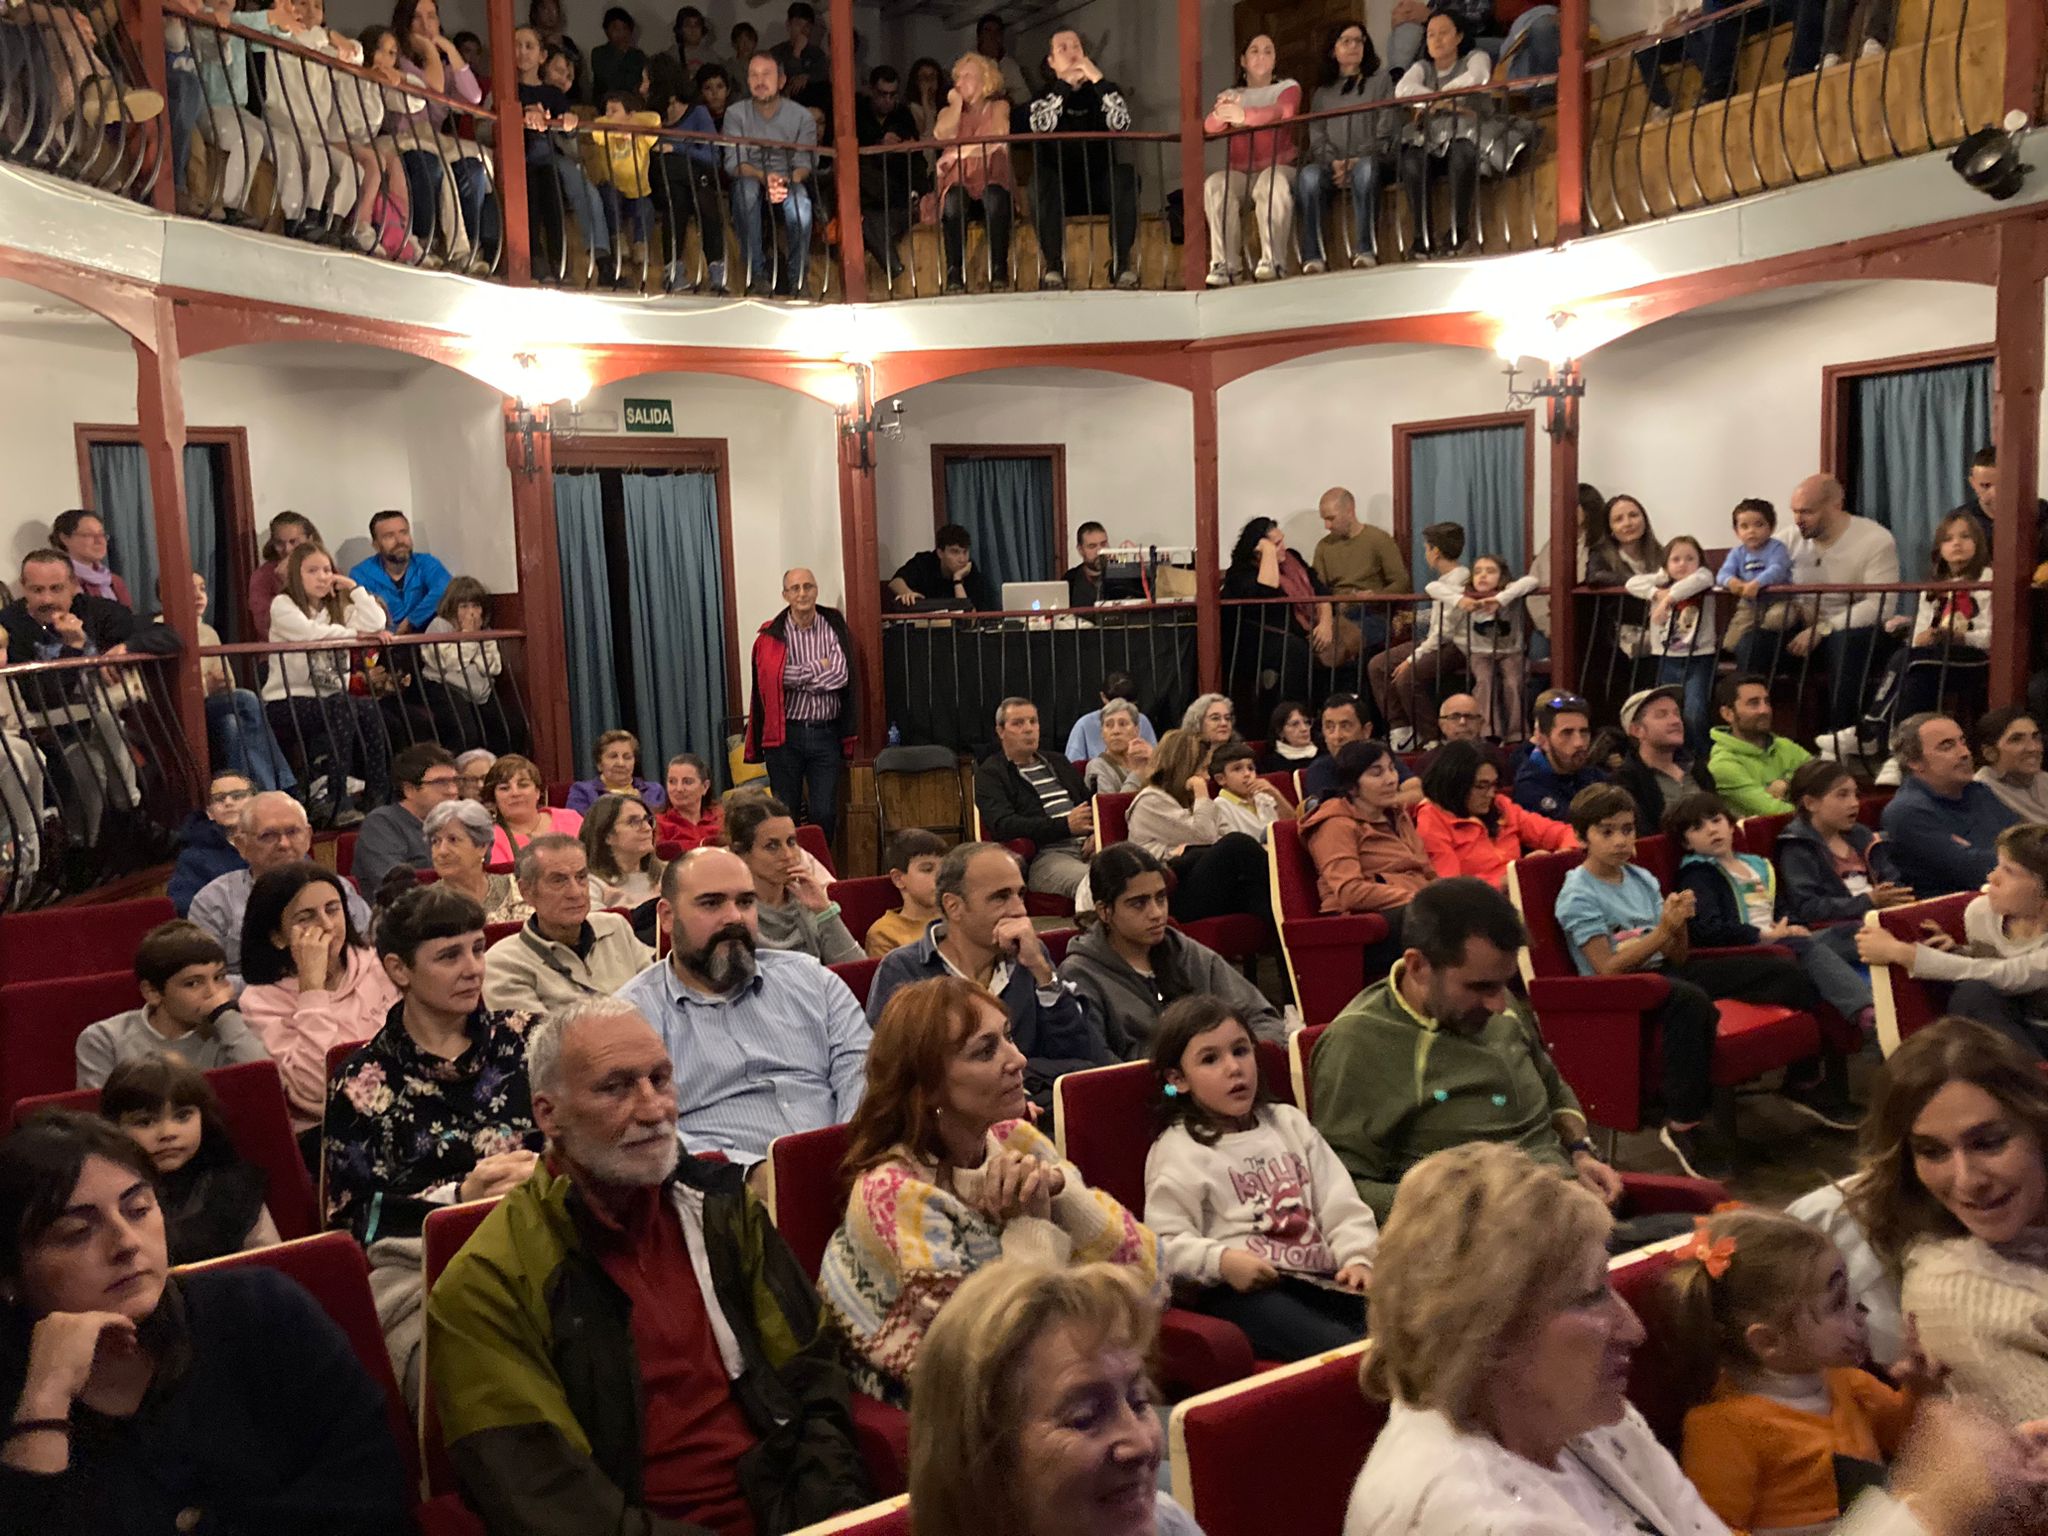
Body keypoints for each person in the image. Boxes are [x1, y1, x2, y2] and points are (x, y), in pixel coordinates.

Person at [1345, 1139, 2031, 1536]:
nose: (1633, 1327)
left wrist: (1967, 1482)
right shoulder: (1468, 1517)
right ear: (1486, 1333)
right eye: (1589, 1297)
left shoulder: (1562, 1410)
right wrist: (1929, 1505)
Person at [424, 995, 873, 1536]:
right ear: (549, 1114)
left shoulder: (724, 1212)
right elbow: (553, 1504)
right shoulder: (484, 1286)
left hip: (787, 1512)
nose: (654, 1108)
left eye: (660, 1079)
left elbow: (814, 1378)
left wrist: (832, 1515)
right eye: (615, 1088)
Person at [0, 1111, 413, 1534]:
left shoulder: (261, 1311)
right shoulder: (18, 1394)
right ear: (10, 1276)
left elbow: (372, 1488)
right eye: (77, 1232)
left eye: (138, 1209)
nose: (126, 1242)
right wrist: (44, 1401)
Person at [819, 976, 1161, 1405]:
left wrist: (1063, 1193)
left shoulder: (1017, 1139)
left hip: (1077, 1395)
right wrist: (1029, 1225)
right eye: (985, 1051)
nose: (1017, 1059)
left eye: (1008, 1037)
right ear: (927, 1089)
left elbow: (1150, 1282)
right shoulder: (893, 1196)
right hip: (974, 1435)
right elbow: (999, 1367)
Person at [1309, 877, 1659, 1238]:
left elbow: (1554, 1089)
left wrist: (1580, 1152)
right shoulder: (1358, 1044)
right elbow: (1341, 1189)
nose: (1499, 1004)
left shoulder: (1494, 1006)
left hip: (1570, 1218)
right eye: (1480, 987)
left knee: (1706, 1245)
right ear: (1417, 966)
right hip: (1484, 1251)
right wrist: (1470, 1207)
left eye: (1504, 984)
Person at [325, 885, 540, 1399]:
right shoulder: (364, 1080)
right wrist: (460, 1198)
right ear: (399, 970)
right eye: (449, 956)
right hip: (428, 1264)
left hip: (546, 1232)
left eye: (478, 949)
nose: (473, 968)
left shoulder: (527, 1040)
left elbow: (582, 1140)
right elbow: (356, 1216)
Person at [1558, 783, 1826, 1180]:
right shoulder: (1576, 892)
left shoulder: (1642, 878)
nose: (1620, 841)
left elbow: (1678, 955)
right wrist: (1662, 931)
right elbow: (1607, 968)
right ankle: (1682, 1122)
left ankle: (1802, 1081)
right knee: (1689, 998)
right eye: (1607, 831)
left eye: (1627, 829)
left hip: (1663, 970)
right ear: (1583, 837)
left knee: (1781, 966)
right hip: (1618, 991)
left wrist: (1678, 924)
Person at [1667, 1206, 1938, 1535]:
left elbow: (1904, 1442)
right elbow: (1713, 1529)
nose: (1860, 1314)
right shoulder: (1723, 1427)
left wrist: (1918, 1389)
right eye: (1838, 1304)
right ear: (1768, 1341)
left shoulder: (1845, 1381)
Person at [1144, 995, 1373, 1360]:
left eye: (1240, 1051)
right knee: (1344, 1349)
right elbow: (1162, 1244)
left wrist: (1358, 1258)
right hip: (1242, 1293)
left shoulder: (1287, 1123)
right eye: (1210, 1059)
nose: (1234, 1068)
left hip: (1321, 1280)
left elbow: (1338, 1202)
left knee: (1404, 1324)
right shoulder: (1179, 1150)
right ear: (1177, 1079)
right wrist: (1221, 1261)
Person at [616, 847, 868, 1170]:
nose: (734, 917)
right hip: (725, 1199)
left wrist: (853, 1149)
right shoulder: (633, 1017)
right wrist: (744, 1176)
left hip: (851, 1170)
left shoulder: (811, 979)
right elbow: (648, 1130)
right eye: (711, 903)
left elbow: (861, 1070)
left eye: (746, 902)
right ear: (667, 917)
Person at [910, 1258, 1201, 1536]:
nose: (1142, 1444)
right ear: (983, 1465)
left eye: (1138, 1402)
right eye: (1085, 1418)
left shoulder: (1167, 1524)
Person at [866, 843, 1113, 1109]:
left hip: (1038, 1115)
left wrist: (1042, 972)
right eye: (1000, 897)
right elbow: (897, 1081)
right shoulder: (904, 970)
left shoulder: (1030, 956)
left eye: (1020, 894)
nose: (1019, 910)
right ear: (954, 906)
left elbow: (1081, 1060)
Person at [1668, 790, 1873, 1060]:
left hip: (1785, 937)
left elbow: (1781, 907)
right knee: (1807, 948)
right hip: (1749, 949)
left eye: (1715, 820)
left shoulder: (1755, 864)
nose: (1711, 830)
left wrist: (1794, 924)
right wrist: (1764, 935)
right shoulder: (1698, 873)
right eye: (1697, 828)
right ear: (1686, 842)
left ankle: (1900, 993)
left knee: (1855, 932)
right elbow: (1707, 929)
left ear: (1730, 824)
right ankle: (1866, 1011)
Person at [1059, 843, 1283, 1056]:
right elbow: (1097, 1066)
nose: (1156, 913)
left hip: (1216, 1083)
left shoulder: (1181, 949)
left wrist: (1241, 1056)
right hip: (1156, 1091)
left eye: (1161, 898)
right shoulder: (1081, 973)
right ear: (1104, 911)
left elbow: (1262, 1017)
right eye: (1139, 903)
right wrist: (1181, 1081)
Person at [235, 861, 402, 1139]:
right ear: (278, 937)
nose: (326, 925)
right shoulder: (261, 1002)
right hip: (332, 1132)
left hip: (407, 1107)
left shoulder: (379, 964)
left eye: (332, 910)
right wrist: (312, 988)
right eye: (306, 917)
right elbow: (317, 1089)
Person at [1735, 474, 1904, 742]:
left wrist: (1823, 629)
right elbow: (1752, 568)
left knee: (1845, 643)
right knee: (1753, 643)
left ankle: (1842, 737)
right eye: (1795, 511)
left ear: (1835, 505)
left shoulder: (1874, 538)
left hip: (1855, 635)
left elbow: (1880, 605)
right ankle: (1750, 734)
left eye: (1807, 512)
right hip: (1800, 629)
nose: (1798, 519)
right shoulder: (1788, 539)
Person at [1857, 823, 2048, 1057]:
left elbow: (2011, 975)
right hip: (2020, 1029)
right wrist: (1959, 953)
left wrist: (1904, 954)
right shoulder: (1980, 913)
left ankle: (2032, 1084)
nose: (1992, 877)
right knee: (1972, 994)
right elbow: (1993, 971)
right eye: (1997, 865)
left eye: (2009, 871)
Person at [2, 550, 143, 839]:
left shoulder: (91, 610)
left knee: (106, 722)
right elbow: (42, 695)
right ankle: (90, 850)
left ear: (73, 585)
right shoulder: (12, 624)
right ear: (23, 588)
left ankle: (130, 822)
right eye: (36, 590)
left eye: (56, 589)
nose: (47, 599)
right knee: (89, 768)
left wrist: (125, 648)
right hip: (45, 728)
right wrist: (73, 648)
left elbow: (156, 631)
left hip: (93, 718)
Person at [260, 542, 391, 826]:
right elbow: (308, 633)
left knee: (366, 706)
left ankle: (378, 795)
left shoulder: (336, 609)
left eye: (327, 570)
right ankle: (335, 796)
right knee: (342, 704)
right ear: (297, 574)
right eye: (312, 571)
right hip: (287, 700)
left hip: (331, 698)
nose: (323, 577)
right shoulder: (283, 605)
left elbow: (377, 621)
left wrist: (353, 588)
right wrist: (354, 634)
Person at [101, 1052, 279, 1260]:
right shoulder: (105, 1195)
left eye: (182, 1116)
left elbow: (271, 1263)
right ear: (114, 1128)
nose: (168, 1133)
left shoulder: (236, 1187)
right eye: (145, 1122)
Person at [188, 792, 372, 980]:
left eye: (293, 832)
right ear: (242, 845)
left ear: (308, 837)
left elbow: (368, 952)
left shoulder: (337, 889)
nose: (283, 844)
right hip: (252, 1004)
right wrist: (291, 984)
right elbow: (207, 980)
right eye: (268, 836)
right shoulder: (212, 902)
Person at [75, 920, 267, 1089]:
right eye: (193, 983)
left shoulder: (232, 1031)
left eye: (219, 977)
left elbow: (267, 1085)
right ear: (153, 992)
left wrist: (225, 1015)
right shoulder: (104, 1039)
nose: (213, 993)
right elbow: (95, 1122)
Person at [746, 567, 858, 848]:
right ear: (785, 595)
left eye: (808, 586)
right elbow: (774, 677)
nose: (802, 593)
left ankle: (820, 871)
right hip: (786, 737)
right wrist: (818, 667)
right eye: (795, 588)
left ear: (816, 590)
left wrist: (797, 676)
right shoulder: (771, 634)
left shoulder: (833, 626)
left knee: (824, 813)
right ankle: (788, 874)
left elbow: (840, 676)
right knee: (785, 814)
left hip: (825, 735)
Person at [483, 834, 653, 1016]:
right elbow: (539, 1042)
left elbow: (657, 998)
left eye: (581, 877)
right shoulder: (503, 963)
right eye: (558, 880)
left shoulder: (616, 927)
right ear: (526, 891)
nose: (575, 892)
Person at [1124, 729, 1275, 926]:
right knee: (1237, 844)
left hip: (1198, 881)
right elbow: (1207, 835)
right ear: (1184, 769)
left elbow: (1220, 834)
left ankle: (1286, 947)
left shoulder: (1190, 801)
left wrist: (1193, 847)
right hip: (1168, 895)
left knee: (1252, 893)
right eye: (1202, 770)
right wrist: (1201, 792)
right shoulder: (1150, 801)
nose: (1206, 777)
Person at [1028, 31, 1139, 291]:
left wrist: (1097, 78)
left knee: (1125, 174)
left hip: (1099, 184)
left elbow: (1121, 123)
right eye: (1062, 48)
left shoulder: (1104, 90)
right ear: (1051, 61)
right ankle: (1053, 267)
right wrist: (1064, 86)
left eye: (1076, 46)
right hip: (1059, 189)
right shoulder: (1043, 95)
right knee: (1039, 181)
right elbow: (1042, 126)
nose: (1071, 52)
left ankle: (1122, 265)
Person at [1301, 740, 1435, 942]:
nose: (1391, 779)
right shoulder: (1335, 823)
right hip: (1362, 924)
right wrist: (1420, 900)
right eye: (1377, 773)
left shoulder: (1397, 814)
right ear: (1352, 787)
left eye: (1392, 769)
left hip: (1412, 907)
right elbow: (1350, 892)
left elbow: (1426, 871)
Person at [1881, 712, 2019, 897]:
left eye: (1963, 742)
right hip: (1952, 913)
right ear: (1914, 762)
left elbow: (2025, 842)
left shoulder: (1979, 791)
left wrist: (1977, 851)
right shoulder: (1906, 812)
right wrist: (2011, 855)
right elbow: (1976, 871)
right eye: (1947, 746)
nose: (1965, 753)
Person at [1297, 25, 1396, 273]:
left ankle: (1365, 250)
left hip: (1373, 160)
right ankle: (1313, 256)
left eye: (1358, 41)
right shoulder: (1321, 93)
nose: (1353, 46)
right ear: (1333, 49)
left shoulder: (1381, 80)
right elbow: (1317, 136)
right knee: (1308, 176)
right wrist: (1334, 163)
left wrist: (1356, 159)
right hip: (1334, 166)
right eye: (1346, 41)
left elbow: (1385, 128)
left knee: (1365, 169)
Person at [1202, 33, 1299, 285]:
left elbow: (1283, 111)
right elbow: (1211, 126)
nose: (1262, 56)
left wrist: (1241, 115)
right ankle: (1225, 265)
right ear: (1243, 60)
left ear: (1275, 59)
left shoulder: (1287, 87)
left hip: (1280, 167)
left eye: (1268, 51)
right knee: (1215, 184)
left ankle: (1273, 260)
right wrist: (1224, 111)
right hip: (1242, 174)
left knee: (1271, 182)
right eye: (1255, 51)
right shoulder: (1232, 93)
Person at [975, 696, 1096, 901]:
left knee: (1141, 874)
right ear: (1000, 731)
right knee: (1100, 883)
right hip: (1046, 857)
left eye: (1033, 721)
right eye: (1018, 723)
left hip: (1091, 848)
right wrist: (1065, 826)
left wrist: (1096, 834)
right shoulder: (992, 773)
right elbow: (1003, 825)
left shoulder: (1058, 761)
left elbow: (1090, 803)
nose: (1029, 729)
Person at [1394, 10, 1491, 257]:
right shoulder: (1422, 67)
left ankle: (1459, 231)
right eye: (1430, 35)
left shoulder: (1474, 57)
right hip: (1432, 142)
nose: (1436, 40)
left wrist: (1435, 99)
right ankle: (1421, 238)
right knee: (1413, 160)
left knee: (1462, 152)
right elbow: (1403, 90)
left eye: (1444, 33)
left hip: (1468, 139)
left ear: (1459, 36)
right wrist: (1443, 102)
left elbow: (1478, 77)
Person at [1774, 758, 1914, 928]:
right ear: (1811, 803)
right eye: (1842, 795)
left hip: (1880, 919)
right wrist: (1868, 901)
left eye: (1856, 794)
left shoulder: (1861, 835)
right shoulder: (1797, 846)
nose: (1854, 803)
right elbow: (1808, 908)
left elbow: (1892, 879)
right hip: (1840, 931)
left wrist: (1896, 896)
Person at [1415, 740, 1577, 887]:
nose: (1491, 794)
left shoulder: (1500, 805)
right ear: (1455, 784)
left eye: (1493, 785)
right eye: (1481, 786)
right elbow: (1451, 890)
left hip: (1523, 892)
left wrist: (1559, 859)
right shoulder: (1431, 821)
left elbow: (1563, 832)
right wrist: (1510, 879)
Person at [189, 570, 295, 793]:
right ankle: (280, 786)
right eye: (191, 589)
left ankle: (245, 794)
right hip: (190, 711)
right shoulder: (161, 628)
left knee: (232, 724)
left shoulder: (208, 632)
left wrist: (217, 684)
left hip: (216, 706)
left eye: (202, 588)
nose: (199, 595)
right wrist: (206, 685)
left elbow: (228, 681)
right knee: (247, 699)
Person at [1367, 521, 1468, 750]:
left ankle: (1430, 736)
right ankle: (1401, 729)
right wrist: (1413, 618)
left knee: (1406, 677)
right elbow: (1437, 617)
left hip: (1453, 646)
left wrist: (1411, 659)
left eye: (1427, 548)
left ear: (1436, 551)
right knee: (1377, 665)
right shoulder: (1445, 580)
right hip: (1433, 642)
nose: (1426, 553)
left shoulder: (1460, 580)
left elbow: (1444, 631)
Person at [724, 51, 817, 298]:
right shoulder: (735, 113)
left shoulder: (802, 116)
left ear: (782, 80)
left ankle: (798, 279)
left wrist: (782, 181)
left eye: (767, 74)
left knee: (801, 204)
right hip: (751, 178)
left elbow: (804, 164)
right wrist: (765, 178)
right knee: (746, 191)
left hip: (789, 180)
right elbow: (734, 162)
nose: (759, 80)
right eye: (753, 75)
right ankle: (757, 277)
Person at [726, 795, 861, 964]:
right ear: (741, 853)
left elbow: (857, 971)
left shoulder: (808, 901)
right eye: (772, 846)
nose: (788, 855)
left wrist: (824, 911)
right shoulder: (731, 914)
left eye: (791, 842)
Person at [1624, 534, 1718, 755]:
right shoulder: (1662, 584)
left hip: (1698, 658)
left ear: (1699, 561)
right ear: (1666, 564)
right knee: (1670, 711)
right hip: (1666, 658)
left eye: (1689, 558)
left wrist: (1668, 599)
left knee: (1695, 712)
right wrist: (1657, 590)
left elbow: (1702, 578)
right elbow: (1631, 583)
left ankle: (1703, 756)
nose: (1683, 564)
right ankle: (1679, 754)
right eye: (1675, 559)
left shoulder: (1702, 580)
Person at [934, 50, 1015, 293]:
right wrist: (956, 104)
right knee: (953, 201)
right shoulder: (949, 112)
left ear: (984, 80)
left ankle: (999, 269)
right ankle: (954, 272)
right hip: (960, 180)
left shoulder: (999, 106)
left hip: (992, 175)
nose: (959, 83)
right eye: (957, 77)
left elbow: (998, 137)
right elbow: (942, 134)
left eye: (967, 76)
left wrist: (959, 153)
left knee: (995, 196)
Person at [419, 574, 513, 754]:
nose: (471, 612)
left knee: (510, 726)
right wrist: (469, 637)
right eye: (464, 606)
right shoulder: (439, 626)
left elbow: (493, 667)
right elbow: (450, 663)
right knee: (465, 731)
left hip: (480, 691)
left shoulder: (485, 631)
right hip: (443, 686)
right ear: (452, 608)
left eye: (476, 606)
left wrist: (474, 644)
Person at [352, 739, 459, 894]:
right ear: (409, 790)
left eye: (455, 781)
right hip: (403, 914)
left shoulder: (458, 822)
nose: (452, 791)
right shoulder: (382, 824)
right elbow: (395, 886)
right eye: (440, 782)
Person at [1613, 685, 1715, 834]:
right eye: (1662, 715)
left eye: (1676, 714)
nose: (1675, 721)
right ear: (1637, 730)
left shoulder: (1697, 768)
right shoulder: (1626, 781)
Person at [1707, 673, 1812, 817]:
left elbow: (1823, 778)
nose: (1765, 710)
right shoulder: (1723, 764)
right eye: (1754, 703)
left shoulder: (1783, 745)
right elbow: (1775, 813)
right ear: (1727, 714)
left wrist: (1786, 782)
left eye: (1767, 702)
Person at [854, 63, 921, 287]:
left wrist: (901, 148)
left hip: (896, 196)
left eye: (893, 95)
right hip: (868, 194)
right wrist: (879, 146)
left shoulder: (903, 115)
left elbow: (916, 158)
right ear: (872, 90)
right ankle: (893, 266)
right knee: (867, 216)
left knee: (868, 221)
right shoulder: (857, 112)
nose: (888, 101)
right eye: (883, 94)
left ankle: (893, 266)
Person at [424, 796, 530, 925]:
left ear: (482, 846)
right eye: (435, 841)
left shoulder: (516, 888)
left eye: (453, 840)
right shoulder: (426, 906)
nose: (442, 851)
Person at [346, 509, 451, 634]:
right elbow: (365, 617)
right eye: (389, 536)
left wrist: (412, 621)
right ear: (375, 545)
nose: (400, 540)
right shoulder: (361, 574)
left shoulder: (427, 563)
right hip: (384, 646)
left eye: (404, 532)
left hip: (427, 642)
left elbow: (445, 590)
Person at [1716, 496, 1794, 655]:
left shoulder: (1777, 548)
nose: (1751, 531)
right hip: (1750, 603)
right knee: (1733, 638)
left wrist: (1757, 583)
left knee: (1777, 618)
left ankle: (1766, 643)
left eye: (1758, 525)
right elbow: (1723, 574)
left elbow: (1777, 569)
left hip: (1779, 599)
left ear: (1771, 527)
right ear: (1736, 531)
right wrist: (1732, 582)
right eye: (1744, 526)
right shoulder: (1737, 553)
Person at [168, 769, 251, 916]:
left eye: (237, 796)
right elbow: (184, 906)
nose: (228, 802)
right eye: (219, 799)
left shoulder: (278, 840)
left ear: (256, 801)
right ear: (210, 813)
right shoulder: (193, 858)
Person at [1512, 689, 1606, 819]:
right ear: (1542, 739)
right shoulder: (1530, 787)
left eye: (1584, 732)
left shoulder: (1595, 777)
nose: (1579, 743)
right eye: (1567, 733)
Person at [482, 752, 583, 864]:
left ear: (537, 792)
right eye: (505, 788)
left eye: (523, 785)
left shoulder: (571, 818)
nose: (515, 793)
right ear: (494, 798)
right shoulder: (490, 838)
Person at [580, 791, 665, 912]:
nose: (648, 828)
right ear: (607, 836)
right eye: (634, 822)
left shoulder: (667, 875)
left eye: (647, 820)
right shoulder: (591, 884)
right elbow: (594, 927)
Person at [866, 827, 944, 959]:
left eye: (944, 868)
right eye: (927, 869)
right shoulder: (884, 933)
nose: (940, 877)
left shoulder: (956, 918)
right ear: (898, 879)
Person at [890, 524, 999, 611]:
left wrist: (957, 581)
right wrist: (907, 592)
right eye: (955, 552)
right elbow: (895, 582)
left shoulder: (970, 571)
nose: (962, 559)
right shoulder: (924, 562)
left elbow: (969, 618)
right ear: (940, 553)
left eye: (965, 552)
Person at [246, 512, 319, 642]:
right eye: (279, 543)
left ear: (310, 540)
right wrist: (287, 584)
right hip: (279, 652)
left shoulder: (324, 569)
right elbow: (265, 627)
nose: (287, 549)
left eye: (294, 542)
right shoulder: (262, 577)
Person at [565, 727, 664, 815]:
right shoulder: (582, 792)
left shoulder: (653, 790)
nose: (621, 763)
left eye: (627, 757)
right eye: (613, 756)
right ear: (599, 764)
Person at [46, 509, 131, 610]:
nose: (99, 541)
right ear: (64, 538)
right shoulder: (60, 581)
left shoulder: (114, 581)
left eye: (102, 534)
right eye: (89, 535)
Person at [1974, 707, 2048, 821]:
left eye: (2036, 737)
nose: (2033, 748)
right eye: (2016, 740)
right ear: (1990, 753)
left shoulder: (2042, 779)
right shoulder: (1981, 793)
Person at [1212, 740, 1288, 842]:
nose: (1247, 774)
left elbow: (1291, 825)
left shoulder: (1263, 796)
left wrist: (1276, 794)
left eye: (1251, 768)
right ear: (1221, 779)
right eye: (1237, 769)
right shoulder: (1219, 807)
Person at [1084, 698, 1156, 794]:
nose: (1116, 731)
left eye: (1122, 724)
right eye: (1109, 725)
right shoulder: (1098, 767)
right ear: (1102, 733)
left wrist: (1155, 761)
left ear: (1136, 730)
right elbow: (1110, 807)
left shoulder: (1147, 760)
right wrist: (1137, 773)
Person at [654, 751, 723, 851]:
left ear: (705, 786)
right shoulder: (657, 824)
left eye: (687, 782)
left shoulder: (721, 818)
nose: (679, 789)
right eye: (672, 781)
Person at [1063, 521, 1146, 604]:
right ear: (1080, 550)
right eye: (1092, 546)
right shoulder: (1071, 579)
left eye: (1103, 544)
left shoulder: (1125, 575)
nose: (1100, 551)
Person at [769, 0, 825, 95]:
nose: (803, 30)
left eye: (807, 26)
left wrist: (807, 77)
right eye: (798, 24)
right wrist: (797, 52)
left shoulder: (817, 53)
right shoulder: (776, 52)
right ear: (788, 25)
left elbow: (823, 75)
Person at [971, 10, 1029, 100]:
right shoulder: (969, 64)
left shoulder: (1010, 65)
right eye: (988, 31)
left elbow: (1024, 94)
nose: (993, 35)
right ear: (979, 36)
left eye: (997, 31)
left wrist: (1007, 99)